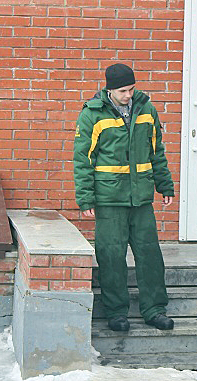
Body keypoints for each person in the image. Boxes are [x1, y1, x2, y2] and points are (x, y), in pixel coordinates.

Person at [73, 63, 175, 332]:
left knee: (150, 255)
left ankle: (154, 309)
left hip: (141, 199)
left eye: (131, 89)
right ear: (110, 89)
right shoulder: (92, 115)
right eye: (122, 91)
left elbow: (157, 151)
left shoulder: (147, 110)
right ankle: (117, 312)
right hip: (109, 199)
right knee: (111, 257)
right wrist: (86, 199)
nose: (128, 95)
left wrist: (165, 185)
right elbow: (83, 159)